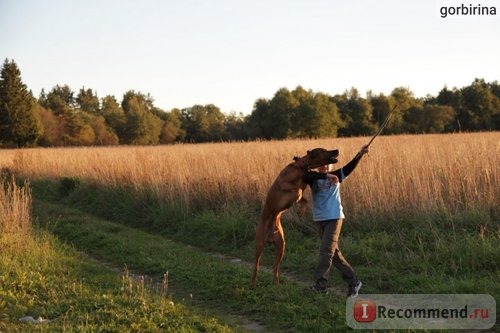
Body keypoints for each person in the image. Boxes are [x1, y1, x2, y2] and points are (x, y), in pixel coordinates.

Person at [303, 144, 370, 297]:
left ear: (331, 164)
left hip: (334, 218)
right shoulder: (313, 177)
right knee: (334, 255)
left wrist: (360, 153)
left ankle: (320, 285)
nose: (325, 166)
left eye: (327, 164)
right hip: (320, 219)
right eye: (322, 164)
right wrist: (326, 176)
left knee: (326, 252)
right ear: (318, 166)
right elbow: (305, 174)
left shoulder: (338, 175)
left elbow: (350, 166)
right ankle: (354, 282)